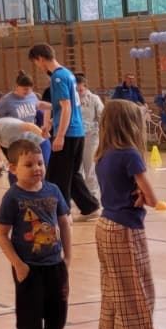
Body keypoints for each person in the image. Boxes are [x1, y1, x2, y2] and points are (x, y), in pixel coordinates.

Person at [93, 99, 166, 329]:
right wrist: (148, 198)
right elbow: (151, 197)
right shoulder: (130, 155)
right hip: (125, 230)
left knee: (114, 295)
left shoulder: (102, 155)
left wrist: (137, 195)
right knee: (136, 297)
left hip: (105, 225)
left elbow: (118, 190)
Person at [0, 139, 73, 329]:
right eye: (29, 164)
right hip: (29, 269)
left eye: (40, 163)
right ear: (13, 168)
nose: (37, 168)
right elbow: (1, 233)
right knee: (30, 319)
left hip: (55, 267)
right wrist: (18, 264)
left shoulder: (53, 191)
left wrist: (67, 257)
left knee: (57, 317)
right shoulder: (12, 197)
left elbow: (64, 223)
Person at [29, 44, 102, 220]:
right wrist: (49, 122)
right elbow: (63, 107)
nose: (38, 66)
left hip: (68, 133)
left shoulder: (57, 77)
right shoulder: (67, 74)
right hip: (77, 132)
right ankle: (90, 207)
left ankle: (63, 213)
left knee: (57, 175)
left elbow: (66, 107)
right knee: (72, 173)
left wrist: (60, 135)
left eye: (36, 63)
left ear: (40, 59)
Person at [75, 74, 104, 199]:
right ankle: (79, 195)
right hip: (74, 137)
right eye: (76, 89)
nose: (78, 90)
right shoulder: (70, 98)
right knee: (76, 168)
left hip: (91, 137)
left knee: (90, 167)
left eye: (80, 88)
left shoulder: (94, 99)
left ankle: (92, 195)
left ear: (85, 86)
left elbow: (102, 117)